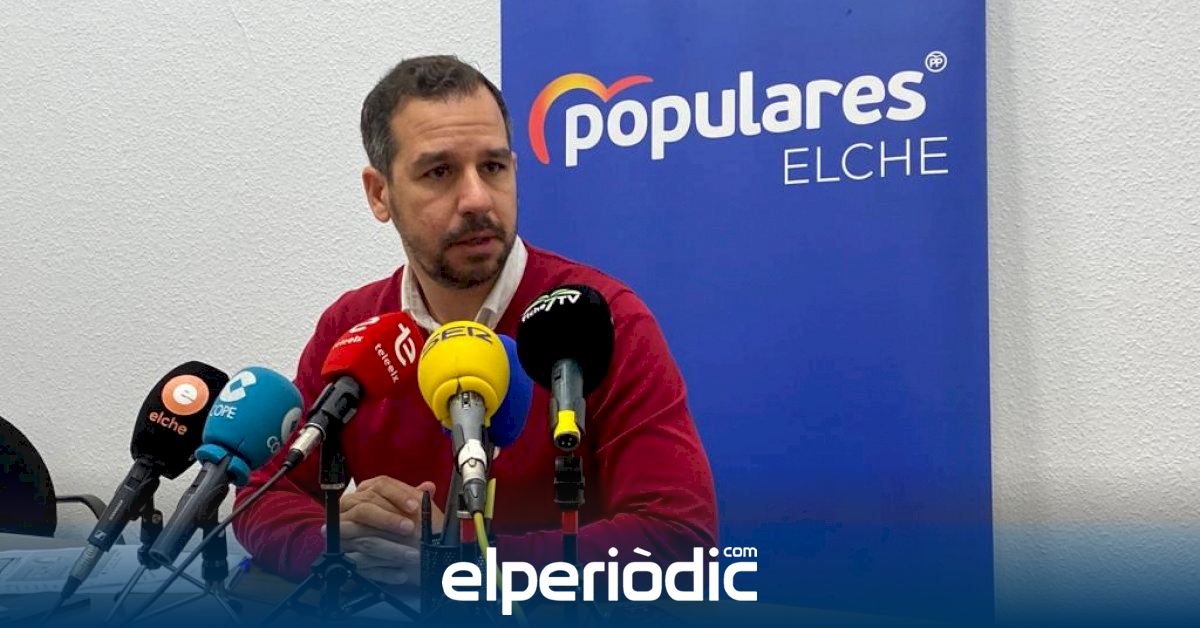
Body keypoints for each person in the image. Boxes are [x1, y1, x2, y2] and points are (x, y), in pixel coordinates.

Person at [232, 55, 717, 587]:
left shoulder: (600, 319)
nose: (477, 199)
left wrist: (461, 564)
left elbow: (679, 536)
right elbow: (264, 494)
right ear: (379, 194)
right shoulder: (353, 328)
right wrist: (334, 546)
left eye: (493, 167)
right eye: (439, 172)